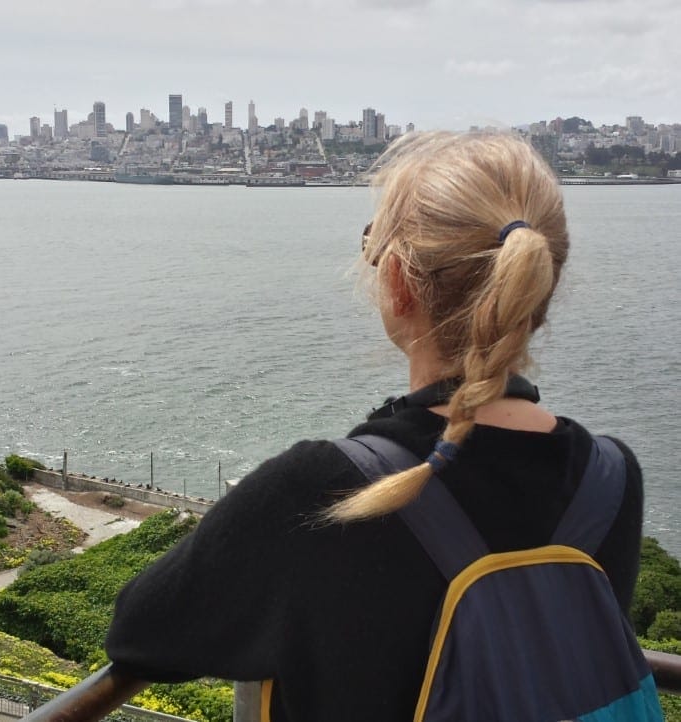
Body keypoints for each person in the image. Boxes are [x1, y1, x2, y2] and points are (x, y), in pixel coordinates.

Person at [104, 131, 644, 721]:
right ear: (540, 285)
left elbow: (141, 632)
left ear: (399, 283)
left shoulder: (321, 489)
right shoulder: (611, 476)